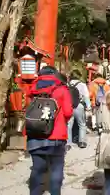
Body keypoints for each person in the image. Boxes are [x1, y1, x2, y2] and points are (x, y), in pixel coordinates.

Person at [26, 66, 73, 195]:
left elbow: (27, 109)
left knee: (37, 168)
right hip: (56, 135)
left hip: (35, 134)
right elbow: (68, 112)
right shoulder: (62, 89)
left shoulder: (32, 89)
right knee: (56, 169)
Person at [67, 69, 91, 149]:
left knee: (69, 125)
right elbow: (86, 96)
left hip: (69, 106)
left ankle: (68, 144)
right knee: (82, 124)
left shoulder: (67, 84)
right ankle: (82, 142)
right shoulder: (82, 85)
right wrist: (88, 106)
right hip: (79, 106)